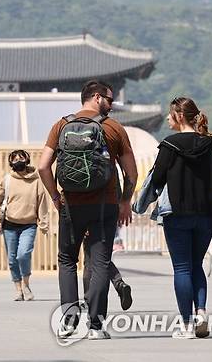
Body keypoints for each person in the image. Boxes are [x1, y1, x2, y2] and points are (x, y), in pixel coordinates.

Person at [38, 80, 138, 340]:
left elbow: (42, 166)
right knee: (100, 261)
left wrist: (54, 196)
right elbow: (132, 172)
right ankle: (95, 325)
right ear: (96, 98)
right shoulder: (113, 128)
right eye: (109, 99)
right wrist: (125, 201)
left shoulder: (61, 126)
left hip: (71, 204)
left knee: (67, 260)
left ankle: (68, 321)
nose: (112, 105)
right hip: (105, 205)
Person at [150, 97, 212, 339]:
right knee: (196, 265)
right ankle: (201, 312)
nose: (167, 119)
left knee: (181, 268)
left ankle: (186, 325)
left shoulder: (169, 145)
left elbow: (158, 178)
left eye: (169, 115)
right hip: (206, 214)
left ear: (179, 116)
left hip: (177, 215)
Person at [0, 150, 47, 301]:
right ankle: (18, 289)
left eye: (20, 158)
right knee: (12, 259)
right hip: (9, 225)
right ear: (11, 162)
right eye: (14, 159)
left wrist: (43, 224)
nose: (18, 161)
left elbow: (42, 202)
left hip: (29, 224)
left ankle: (26, 285)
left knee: (23, 254)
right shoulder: (7, 180)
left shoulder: (36, 180)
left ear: (27, 160)